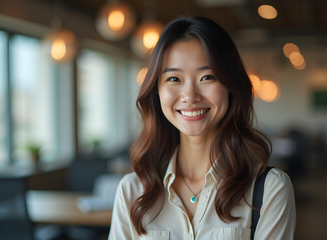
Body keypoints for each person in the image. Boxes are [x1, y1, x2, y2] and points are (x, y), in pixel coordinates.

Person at [108, 17, 295, 240]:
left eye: (207, 77)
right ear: (156, 91)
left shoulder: (269, 189)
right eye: (174, 78)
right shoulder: (132, 191)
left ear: (231, 86)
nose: (190, 96)